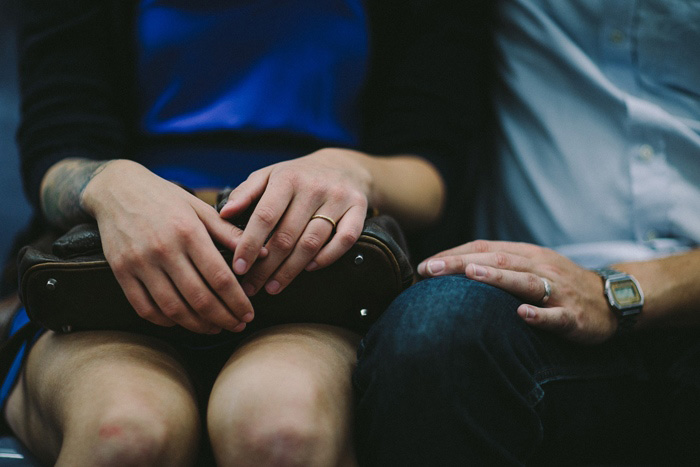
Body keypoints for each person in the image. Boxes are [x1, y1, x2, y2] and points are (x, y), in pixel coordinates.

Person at [0, 1, 488, 465]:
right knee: (124, 436)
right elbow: (56, 148)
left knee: (280, 435)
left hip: (316, 281)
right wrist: (109, 185)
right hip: (109, 274)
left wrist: (350, 170)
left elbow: (431, 171)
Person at [354, 1, 700, 465]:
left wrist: (615, 292)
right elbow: (428, 131)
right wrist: (352, 170)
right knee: (437, 325)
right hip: (541, 305)